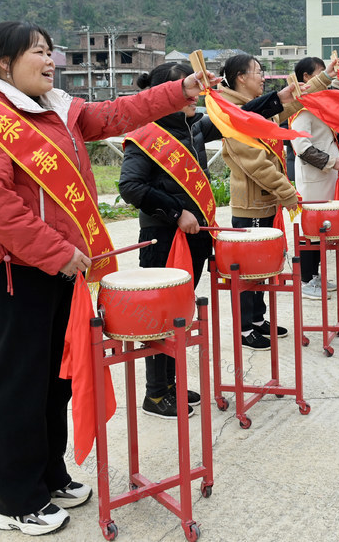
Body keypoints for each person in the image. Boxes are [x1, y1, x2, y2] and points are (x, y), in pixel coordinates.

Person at [0, 21, 215, 535]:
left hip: (60, 268)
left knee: (56, 380)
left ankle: (49, 476)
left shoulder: (58, 111)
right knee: (19, 385)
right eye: (38, 53)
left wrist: (179, 90)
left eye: (52, 53)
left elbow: (118, 114)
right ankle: (14, 500)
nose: (51, 61)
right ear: (4, 64)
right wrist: (57, 252)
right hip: (13, 274)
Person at [118, 62, 217, 417]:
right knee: (161, 315)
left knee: (179, 314)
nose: (195, 95)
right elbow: (130, 187)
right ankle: (156, 393)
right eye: (188, 89)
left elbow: (241, 115)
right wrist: (176, 212)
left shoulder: (193, 128)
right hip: (162, 237)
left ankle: (170, 384)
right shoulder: (148, 135)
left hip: (194, 238)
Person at [217, 54, 302, 341]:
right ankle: (244, 329)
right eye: (258, 71)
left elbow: (283, 110)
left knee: (260, 266)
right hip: (251, 203)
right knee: (246, 270)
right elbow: (256, 164)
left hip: (263, 201)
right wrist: (287, 192)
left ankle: (257, 319)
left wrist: (318, 85)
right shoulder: (232, 112)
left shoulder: (249, 109)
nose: (262, 77)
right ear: (241, 77)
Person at [289, 56, 339, 297]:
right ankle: (306, 281)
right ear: (306, 77)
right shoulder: (301, 109)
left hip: (326, 178)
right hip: (314, 180)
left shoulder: (319, 106)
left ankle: (315, 275)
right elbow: (301, 148)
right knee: (310, 231)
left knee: (321, 230)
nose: (327, 76)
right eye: (321, 72)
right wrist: (330, 162)